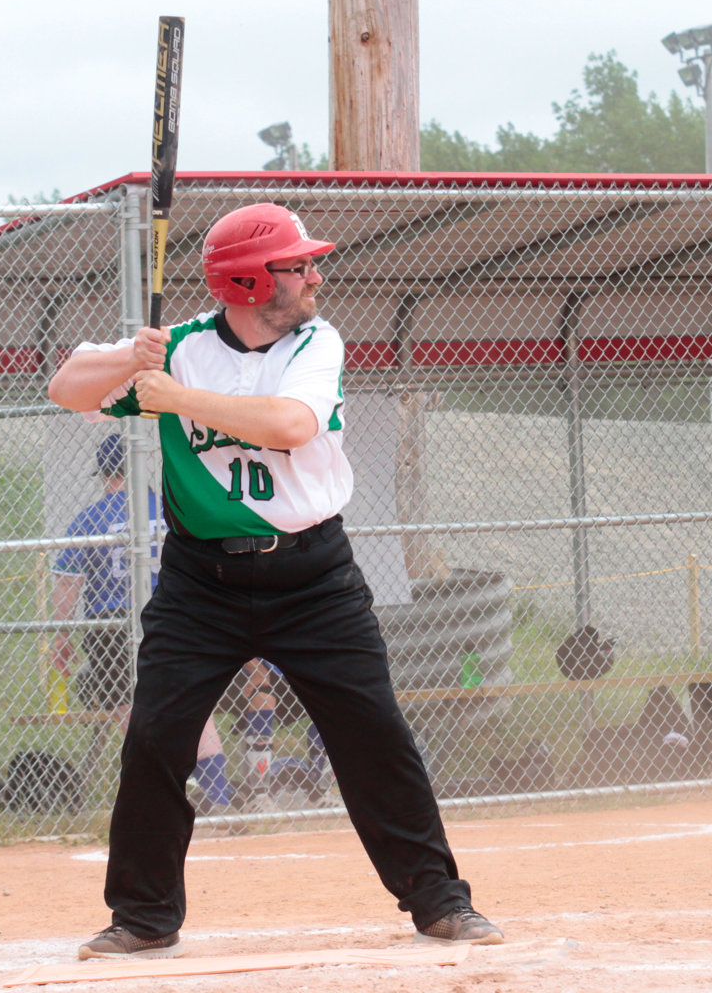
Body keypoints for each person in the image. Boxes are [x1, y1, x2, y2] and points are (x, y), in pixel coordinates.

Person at [48, 202, 503, 959]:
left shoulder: (317, 343)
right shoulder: (183, 347)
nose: (314, 275)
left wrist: (176, 398)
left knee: (373, 734)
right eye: (296, 265)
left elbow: (291, 425)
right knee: (157, 736)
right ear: (252, 282)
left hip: (313, 574)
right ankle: (143, 916)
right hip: (201, 580)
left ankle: (439, 902)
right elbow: (67, 388)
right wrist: (135, 356)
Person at [50, 433, 235, 809]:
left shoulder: (90, 519)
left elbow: (68, 585)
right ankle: (219, 796)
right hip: (170, 613)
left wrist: (62, 636)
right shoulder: (170, 508)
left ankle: (170, 792)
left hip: (109, 624)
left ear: (104, 473)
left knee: (128, 708)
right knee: (196, 705)